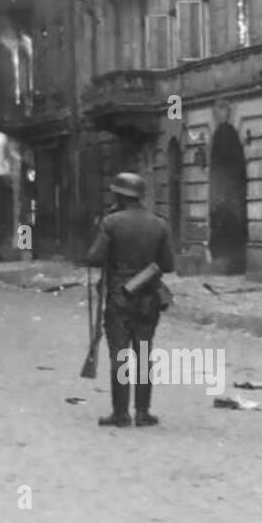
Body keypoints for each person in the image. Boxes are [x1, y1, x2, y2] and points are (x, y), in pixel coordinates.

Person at [86, 172, 175, 428]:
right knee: (144, 354)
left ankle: (121, 414)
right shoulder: (160, 224)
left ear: (118, 195)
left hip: (119, 298)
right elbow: (168, 264)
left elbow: (93, 258)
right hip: (148, 298)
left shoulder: (111, 222)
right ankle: (144, 413)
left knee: (120, 355)